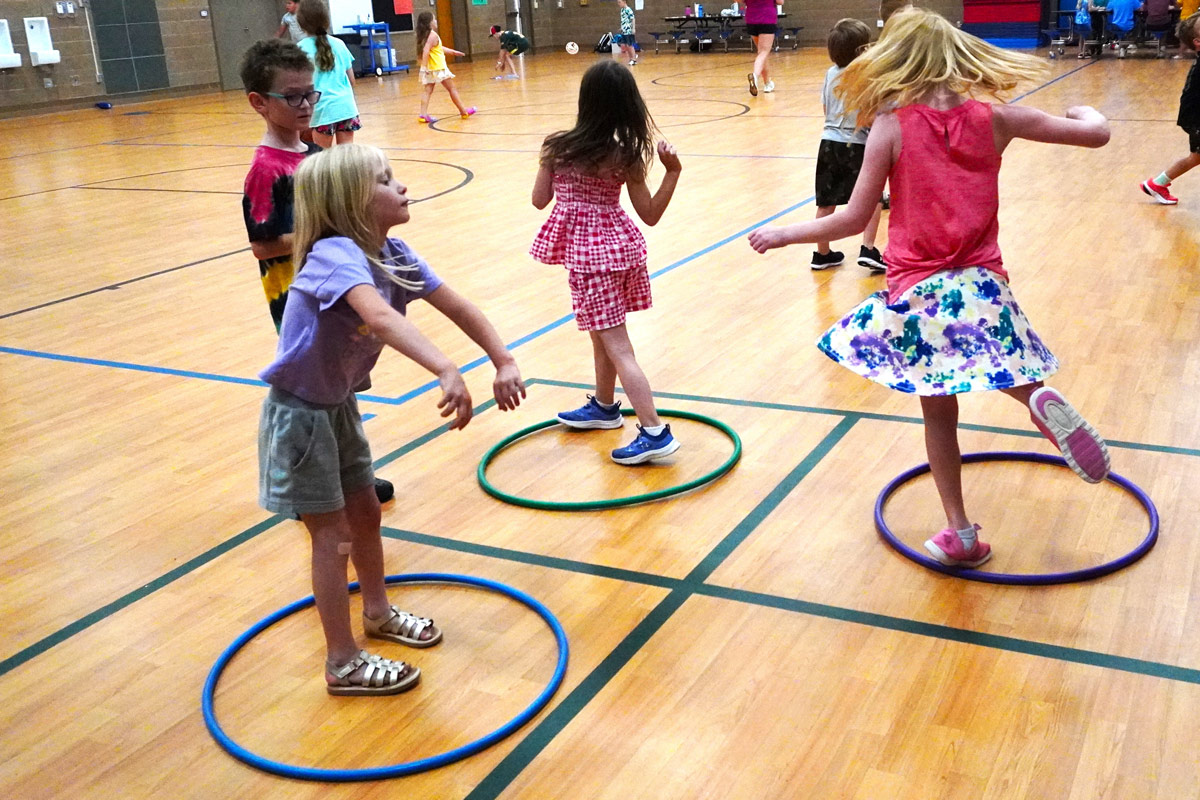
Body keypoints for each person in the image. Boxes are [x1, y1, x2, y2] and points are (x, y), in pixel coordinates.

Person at [748, 8, 1112, 568]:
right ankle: (1034, 397)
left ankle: (961, 533)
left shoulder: (891, 126)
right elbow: (1097, 134)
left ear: (896, 60)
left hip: (919, 290)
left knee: (939, 413)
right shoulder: (994, 117)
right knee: (1006, 366)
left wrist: (783, 233)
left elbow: (851, 220)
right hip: (983, 282)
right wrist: (1082, 108)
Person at [260, 143, 526, 694]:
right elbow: (378, 317)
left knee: (366, 516)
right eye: (385, 180)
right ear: (350, 202)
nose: (401, 186)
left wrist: (503, 358)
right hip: (301, 418)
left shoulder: (394, 251)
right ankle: (341, 662)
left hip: (337, 407)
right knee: (331, 538)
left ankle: (377, 614)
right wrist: (445, 367)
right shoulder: (335, 252)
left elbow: (457, 305)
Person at [240, 39, 395, 505]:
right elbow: (262, 243)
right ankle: (315, 478)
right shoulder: (267, 169)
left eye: (311, 94)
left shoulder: (310, 154)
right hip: (297, 298)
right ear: (259, 103)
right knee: (317, 386)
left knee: (342, 378)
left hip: (331, 289)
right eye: (293, 97)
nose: (307, 105)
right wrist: (327, 235)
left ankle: (352, 470)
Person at [530, 61, 682, 465]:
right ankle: (604, 406)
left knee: (618, 346)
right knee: (603, 333)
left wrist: (550, 166)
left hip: (589, 259)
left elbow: (539, 200)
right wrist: (673, 173)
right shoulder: (625, 154)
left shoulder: (558, 147)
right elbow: (649, 213)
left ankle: (653, 431)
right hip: (622, 251)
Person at [812, 18, 886, 273]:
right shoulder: (867, 75)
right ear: (863, 49)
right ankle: (868, 249)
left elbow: (825, 108)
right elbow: (870, 115)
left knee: (826, 202)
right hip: (858, 144)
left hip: (828, 143)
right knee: (872, 198)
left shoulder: (829, 74)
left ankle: (822, 254)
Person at [1142, 12, 1200, 203]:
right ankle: (1157, 183)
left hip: (1193, 116)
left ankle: (1157, 183)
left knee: (1196, 157)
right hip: (1196, 118)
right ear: (1198, 42)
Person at [296, 0, 359, 148]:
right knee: (346, 159)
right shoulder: (339, 44)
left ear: (301, 23)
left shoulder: (299, 49)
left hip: (321, 110)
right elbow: (352, 80)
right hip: (346, 107)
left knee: (322, 159)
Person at [416, 12, 476, 124]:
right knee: (452, 89)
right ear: (429, 23)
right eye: (434, 19)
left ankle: (423, 114)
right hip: (438, 68)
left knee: (427, 91)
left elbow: (438, 48)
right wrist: (423, 68)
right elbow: (426, 51)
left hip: (431, 68)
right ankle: (463, 111)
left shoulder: (426, 35)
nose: (436, 21)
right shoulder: (432, 35)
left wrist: (453, 52)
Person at [744, 0, 781, 95]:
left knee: (761, 54)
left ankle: (767, 83)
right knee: (763, 52)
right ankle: (755, 76)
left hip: (751, 19)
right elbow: (780, 2)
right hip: (767, 18)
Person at [616, 0, 638, 66]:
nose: (618, 4)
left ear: (624, 1)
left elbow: (632, 19)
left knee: (630, 45)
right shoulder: (622, 10)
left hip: (629, 31)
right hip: (624, 31)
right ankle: (631, 58)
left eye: (619, 2)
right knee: (625, 45)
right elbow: (624, 20)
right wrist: (622, 27)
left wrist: (633, 28)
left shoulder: (628, 10)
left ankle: (634, 59)